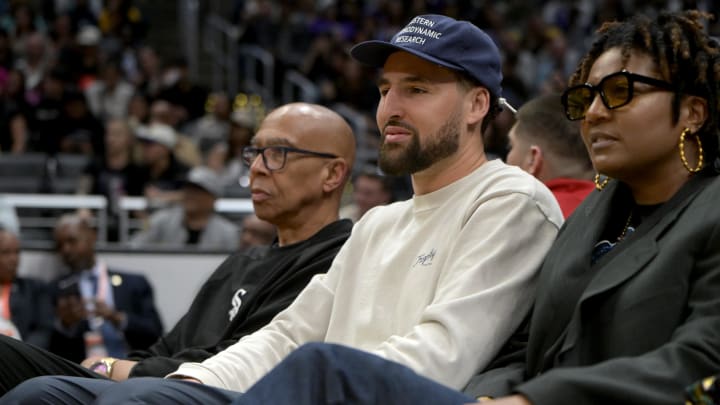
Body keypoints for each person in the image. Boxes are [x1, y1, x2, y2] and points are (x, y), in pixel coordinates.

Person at [131, 9, 720, 405]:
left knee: (321, 369)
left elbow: (701, 360)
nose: (592, 112)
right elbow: (529, 353)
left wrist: (525, 399)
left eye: (619, 93)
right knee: (52, 390)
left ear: (692, 112)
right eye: (584, 95)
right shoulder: (594, 216)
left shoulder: (523, 202)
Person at [2, 14, 564, 404]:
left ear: (476, 105)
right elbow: (288, 335)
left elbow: (443, 355)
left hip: (341, 394)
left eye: (416, 89)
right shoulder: (379, 223)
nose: (390, 107)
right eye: (385, 89)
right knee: (40, 394)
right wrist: (198, 381)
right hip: (299, 386)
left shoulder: (511, 201)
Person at [0, 102, 355, 395]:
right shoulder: (243, 260)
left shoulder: (338, 257)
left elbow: (243, 360)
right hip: (152, 379)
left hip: (205, 388)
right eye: (255, 153)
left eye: (278, 153)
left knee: (44, 393)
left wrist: (114, 368)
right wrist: (112, 368)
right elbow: (165, 348)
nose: (258, 169)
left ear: (332, 174)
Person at [47, 214, 163, 363]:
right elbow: (48, 347)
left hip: (131, 367)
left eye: (72, 241)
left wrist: (117, 318)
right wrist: (66, 325)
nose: (66, 250)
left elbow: (155, 333)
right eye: (60, 245)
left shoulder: (133, 283)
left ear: (92, 237)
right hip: (83, 372)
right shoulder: (56, 290)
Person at [505, 93, 594, 217]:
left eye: (510, 146)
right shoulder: (618, 208)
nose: (506, 161)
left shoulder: (524, 217)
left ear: (533, 159)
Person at [129, 166, 239, 250]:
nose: (191, 195)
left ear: (213, 198)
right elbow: (134, 248)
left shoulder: (228, 233)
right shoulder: (161, 220)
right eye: (188, 189)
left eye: (198, 191)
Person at [0, 227, 53, 348]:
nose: (13, 259)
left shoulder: (34, 288)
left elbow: (43, 330)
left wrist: (22, 353)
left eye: (17, 252)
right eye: (5, 252)